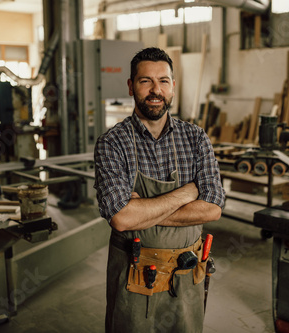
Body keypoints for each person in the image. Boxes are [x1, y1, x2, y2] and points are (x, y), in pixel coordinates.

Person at [94, 47, 226, 333]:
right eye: (145, 81)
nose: (156, 90)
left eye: (163, 81)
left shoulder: (195, 138)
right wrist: (187, 192)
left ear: (173, 87)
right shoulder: (112, 143)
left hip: (187, 273)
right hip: (133, 273)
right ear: (131, 86)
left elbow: (213, 207)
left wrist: (142, 210)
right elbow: (121, 218)